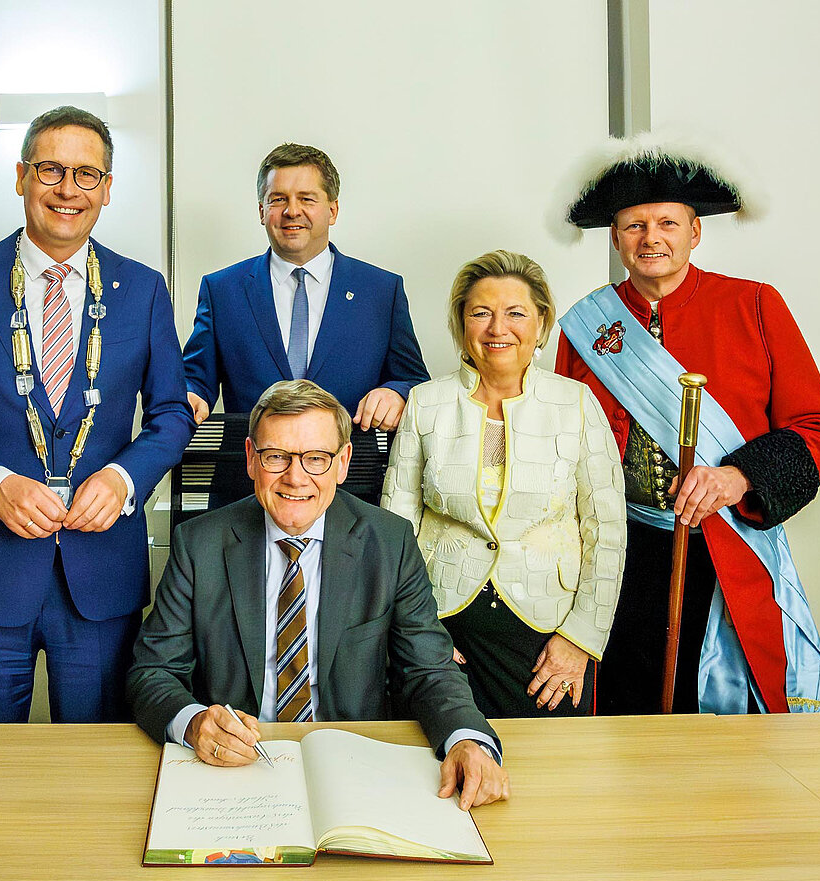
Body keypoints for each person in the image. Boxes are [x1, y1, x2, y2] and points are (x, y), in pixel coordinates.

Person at [0, 106, 194, 724]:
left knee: (102, 768)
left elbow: (171, 414)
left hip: (100, 579)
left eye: (87, 174)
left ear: (106, 189)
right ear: (22, 176)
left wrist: (125, 479)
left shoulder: (144, 290)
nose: (67, 189)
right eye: (51, 169)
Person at [553, 134, 820, 714]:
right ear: (615, 237)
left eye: (667, 223)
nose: (651, 238)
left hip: (725, 548)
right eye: (635, 226)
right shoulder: (587, 326)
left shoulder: (755, 305)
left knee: (717, 724)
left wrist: (739, 477)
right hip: (615, 556)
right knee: (619, 713)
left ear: (695, 232)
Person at [128, 380, 509, 810]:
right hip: (236, 769)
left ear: (342, 462)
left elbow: (429, 669)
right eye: (276, 456)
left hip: (356, 766)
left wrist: (466, 739)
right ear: (251, 458)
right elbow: (152, 671)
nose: (296, 477)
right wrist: (195, 723)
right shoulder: (198, 544)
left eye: (316, 459)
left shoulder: (390, 543)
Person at [382, 251, 626, 718]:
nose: (498, 328)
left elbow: (607, 531)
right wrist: (413, 632)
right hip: (442, 628)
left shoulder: (576, 403)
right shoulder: (425, 403)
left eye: (516, 313)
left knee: (553, 759)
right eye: (481, 313)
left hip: (550, 635)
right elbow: (395, 532)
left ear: (541, 323)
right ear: (461, 323)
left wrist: (581, 638)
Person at [181, 143, 428, 432]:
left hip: (351, 458)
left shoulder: (381, 291)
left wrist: (397, 393)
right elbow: (195, 379)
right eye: (278, 199)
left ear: (332, 210)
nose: (292, 211)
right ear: (262, 211)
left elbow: (415, 381)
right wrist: (189, 395)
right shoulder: (222, 291)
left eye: (307, 199)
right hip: (251, 458)